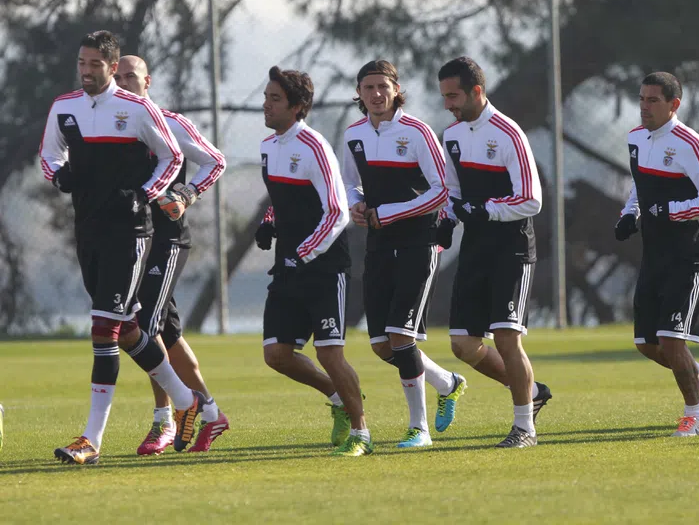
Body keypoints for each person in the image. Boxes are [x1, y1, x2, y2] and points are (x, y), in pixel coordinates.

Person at [39, 31, 205, 465]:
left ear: (112, 68)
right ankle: (187, 401)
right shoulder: (65, 107)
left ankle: (90, 440)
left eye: (95, 64)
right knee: (128, 328)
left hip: (130, 232)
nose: (86, 70)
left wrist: (145, 194)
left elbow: (172, 157)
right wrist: (59, 175)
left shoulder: (136, 109)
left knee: (104, 328)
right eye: (82, 62)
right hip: (87, 229)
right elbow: (49, 156)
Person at [341, 60, 467, 449]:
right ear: (359, 93)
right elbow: (348, 182)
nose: (376, 94)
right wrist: (356, 203)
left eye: (383, 86)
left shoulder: (417, 132)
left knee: (400, 334)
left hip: (419, 242)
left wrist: (390, 213)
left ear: (396, 90)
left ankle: (419, 429)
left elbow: (442, 190)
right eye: (368, 87)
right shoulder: (354, 135)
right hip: (378, 244)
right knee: (382, 344)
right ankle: (447, 382)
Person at [114, 56, 229, 454]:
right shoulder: (111, 128)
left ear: (147, 81)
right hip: (131, 242)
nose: (124, 83)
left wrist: (185, 193)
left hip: (167, 241)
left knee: (144, 328)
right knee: (169, 336)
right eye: (118, 77)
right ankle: (211, 414)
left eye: (131, 76)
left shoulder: (171, 123)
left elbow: (215, 161)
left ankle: (165, 420)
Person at [256, 65, 372, 456]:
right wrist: (269, 221)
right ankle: (338, 398)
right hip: (287, 267)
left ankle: (362, 434)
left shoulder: (314, 146)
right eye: (266, 97)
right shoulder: (268, 147)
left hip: (324, 267)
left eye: (275, 99)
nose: (266, 105)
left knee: (329, 352)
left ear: (297, 106)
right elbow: (282, 199)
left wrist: (306, 252)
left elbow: (337, 211)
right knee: (277, 355)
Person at [437, 56, 551, 448]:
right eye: (444, 96)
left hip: (512, 248)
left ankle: (525, 428)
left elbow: (531, 199)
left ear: (476, 91)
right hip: (475, 247)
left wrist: (485, 209)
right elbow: (452, 190)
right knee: (463, 345)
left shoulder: (508, 133)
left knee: (506, 338)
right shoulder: (452, 135)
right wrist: (448, 218)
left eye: (454, 96)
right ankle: (531, 392)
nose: (448, 104)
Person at [615, 72, 699, 437]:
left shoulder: (691, 144)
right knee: (646, 344)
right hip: (654, 256)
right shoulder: (636, 137)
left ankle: (695, 417)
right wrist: (630, 213)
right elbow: (641, 186)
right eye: (641, 99)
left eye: (653, 100)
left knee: (671, 339)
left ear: (673, 104)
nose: (644, 107)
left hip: (688, 258)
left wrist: (670, 211)